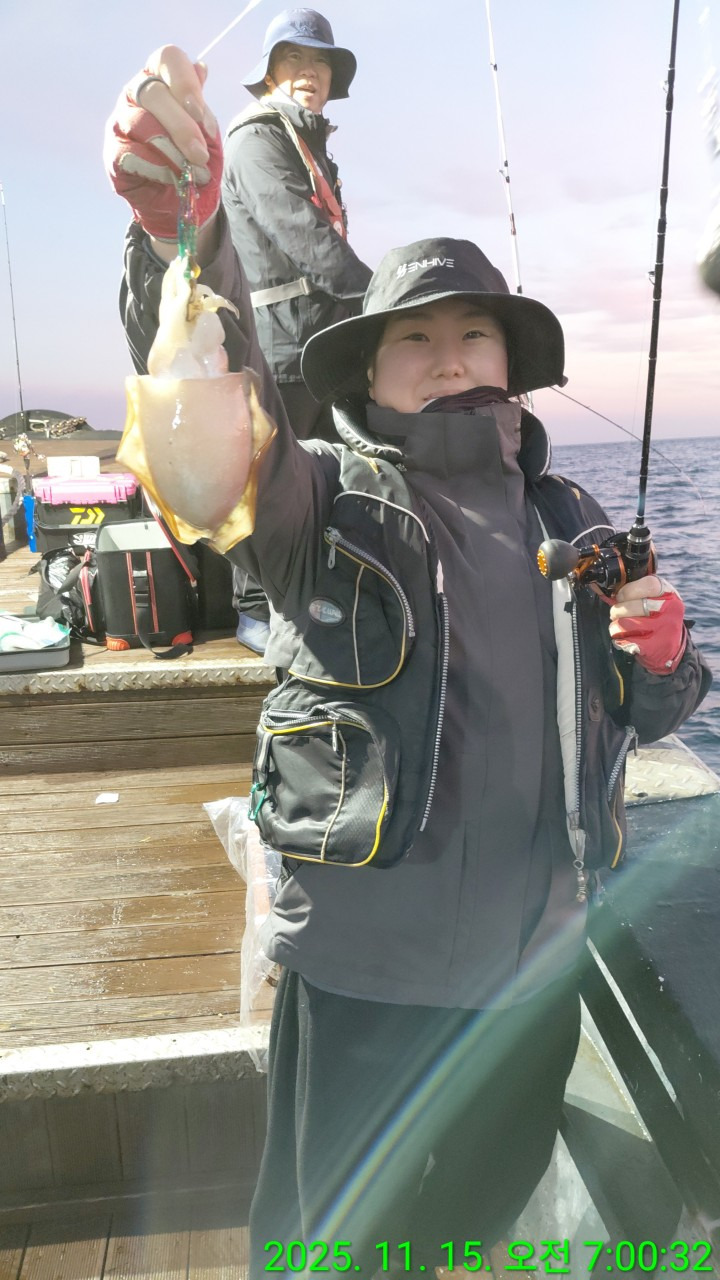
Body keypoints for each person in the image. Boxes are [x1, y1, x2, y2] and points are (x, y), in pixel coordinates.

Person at [105, 48, 711, 1277]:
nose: (447, 355)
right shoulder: (324, 499)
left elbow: (644, 711)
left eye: (473, 332)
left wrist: (666, 660)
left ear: (508, 362)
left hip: (532, 968)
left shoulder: (576, 516)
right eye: (414, 338)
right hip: (363, 966)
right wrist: (181, 237)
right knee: (330, 1234)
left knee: (481, 1205)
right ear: (366, 375)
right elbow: (221, 417)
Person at [223, 9, 372, 652]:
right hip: (279, 344)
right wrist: (387, 301)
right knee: (265, 475)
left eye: (321, 62)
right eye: (294, 59)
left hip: (321, 342)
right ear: (268, 72)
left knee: (325, 476)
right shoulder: (256, 141)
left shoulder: (307, 142)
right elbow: (303, 235)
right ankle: (255, 609)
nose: (310, 72)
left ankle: (316, 598)